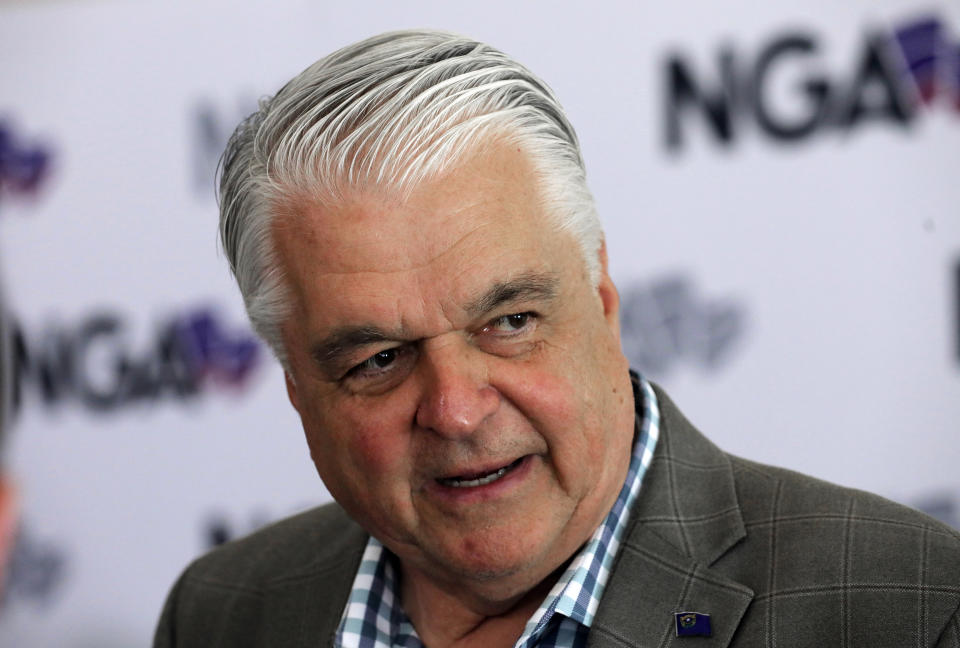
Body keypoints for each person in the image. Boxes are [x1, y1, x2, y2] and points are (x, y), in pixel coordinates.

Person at [155, 30, 960, 647]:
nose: (458, 411)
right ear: (295, 383)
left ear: (602, 295)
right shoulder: (226, 613)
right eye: (379, 360)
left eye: (508, 323)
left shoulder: (908, 605)